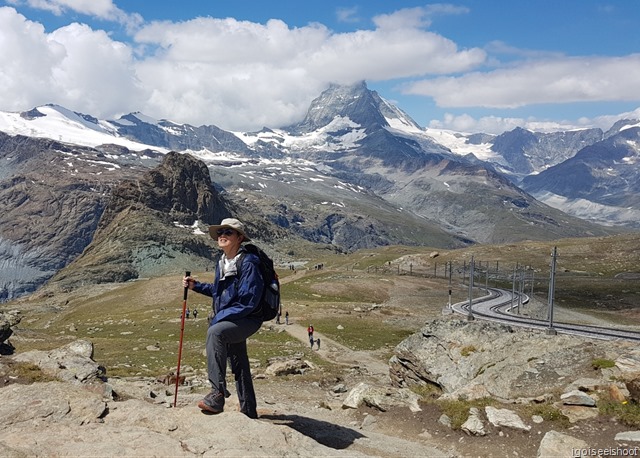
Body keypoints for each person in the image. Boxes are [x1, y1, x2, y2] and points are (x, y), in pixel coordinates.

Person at [183, 218, 264, 419]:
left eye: (228, 232)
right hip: (234, 318)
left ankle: (217, 395)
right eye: (220, 232)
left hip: (247, 318)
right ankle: (249, 410)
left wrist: (220, 317)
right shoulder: (222, 262)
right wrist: (197, 286)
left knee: (216, 332)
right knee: (239, 362)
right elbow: (219, 292)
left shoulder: (249, 263)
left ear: (240, 237)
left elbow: (248, 301)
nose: (222, 236)